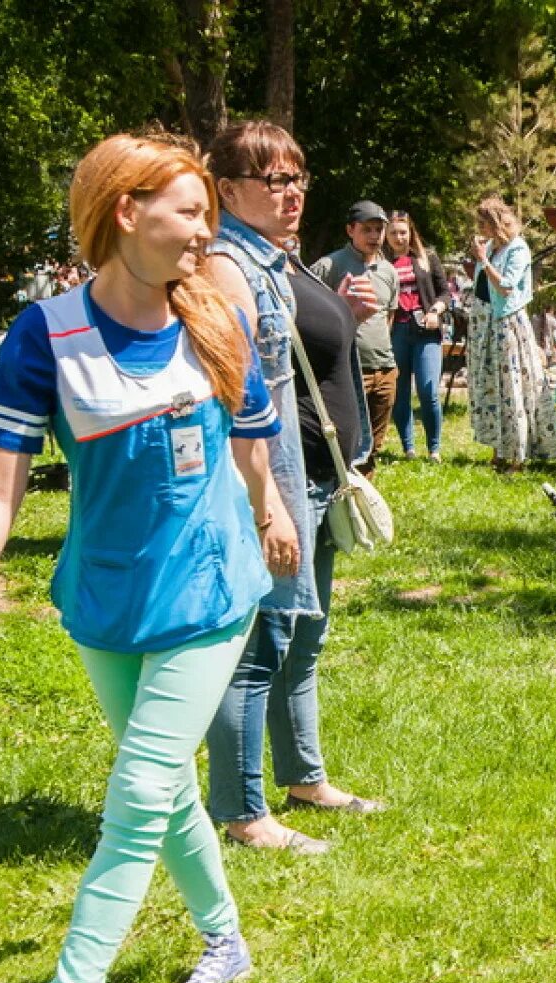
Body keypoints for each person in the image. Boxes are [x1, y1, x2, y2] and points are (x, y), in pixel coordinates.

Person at [0, 133, 297, 983]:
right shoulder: (44, 336)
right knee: (167, 789)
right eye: (187, 211)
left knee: (138, 793)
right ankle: (225, 939)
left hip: (210, 587)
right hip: (105, 597)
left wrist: (269, 513)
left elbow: (254, 437)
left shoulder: (215, 319)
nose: (203, 231)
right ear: (124, 211)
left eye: (204, 214)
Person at [203, 119, 385, 858]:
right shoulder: (227, 267)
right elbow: (237, 397)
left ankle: (304, 778)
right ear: (226, 189)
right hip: (275, 485)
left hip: (317, 479)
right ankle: (243, 812)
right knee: (259, 643)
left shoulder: (278, 261)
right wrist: (265, 500)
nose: (292, 193)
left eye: (298, 178)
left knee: (302, 637)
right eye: (274, 180)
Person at [466, 196, 556, 471]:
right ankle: (499, 448)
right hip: (486, 323)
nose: (480, 229)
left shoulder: (517, 249)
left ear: (496, 224)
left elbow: (506, 286)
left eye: (484, 224)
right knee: (491, 387)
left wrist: (483, 261)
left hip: (506, 325)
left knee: (512, 388)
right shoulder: (493, 248)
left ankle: (518, 454)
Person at [310, 202, 399, 471]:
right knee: (347, 442)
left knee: (374, 446)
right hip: (348, 369)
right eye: (367, 229)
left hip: (385, 368)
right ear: (350, 230)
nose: (374, 236)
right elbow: (311, 312)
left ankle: (364, 502)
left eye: (379, 230)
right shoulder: (330, 265)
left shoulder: (389, 271)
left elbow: (388, 318)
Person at [383, 210, 451, 461]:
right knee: (399, 392)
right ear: (386, 236)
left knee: (428, 389)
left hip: (426, 330)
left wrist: (435, 310)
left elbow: (445, 293)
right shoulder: (381, 263)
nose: (399, 238)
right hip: (397, 331)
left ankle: (434, 448)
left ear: (411, 232)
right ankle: (408, 448)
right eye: (393, 233)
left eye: (403, 232)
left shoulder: (427, 257)